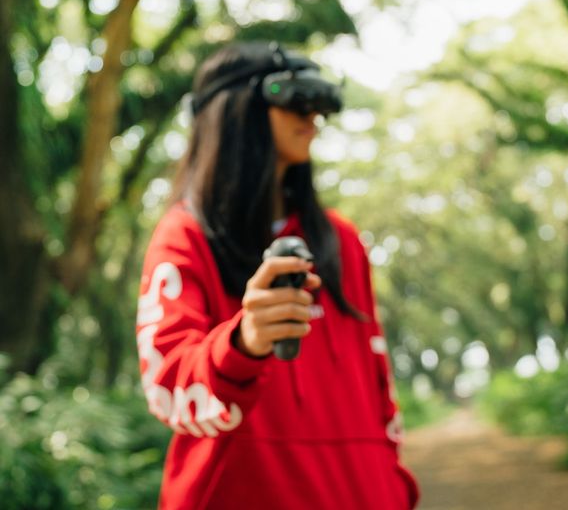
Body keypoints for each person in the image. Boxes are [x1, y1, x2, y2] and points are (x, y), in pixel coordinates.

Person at [136, 40, 419, 510]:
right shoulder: (183, 237)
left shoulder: (342, 241)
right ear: (236, 111)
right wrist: (243, 344)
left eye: (318, 106)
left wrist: (392, 486)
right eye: (295, 101)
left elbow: (378, 387)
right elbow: (168, 389)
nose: (312, 120)